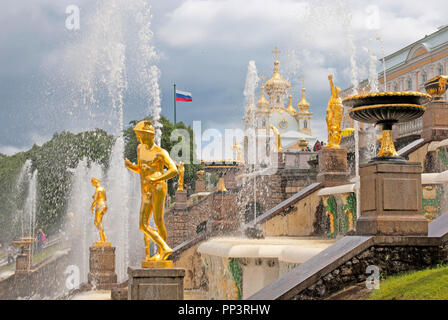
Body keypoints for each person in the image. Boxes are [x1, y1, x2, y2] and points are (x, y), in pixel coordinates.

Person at [125, 120, 178, 262]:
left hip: (158, 188)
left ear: (147, 135)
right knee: (143, 225)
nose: (137, 137)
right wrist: (130, 166)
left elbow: (174, 169)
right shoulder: (139, 149)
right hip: (145, 190)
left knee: (158, 220)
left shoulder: (160, 153)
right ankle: (165, 247)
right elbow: (141, 169)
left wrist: (157, 179)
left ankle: (162, 253)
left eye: (139, 134)